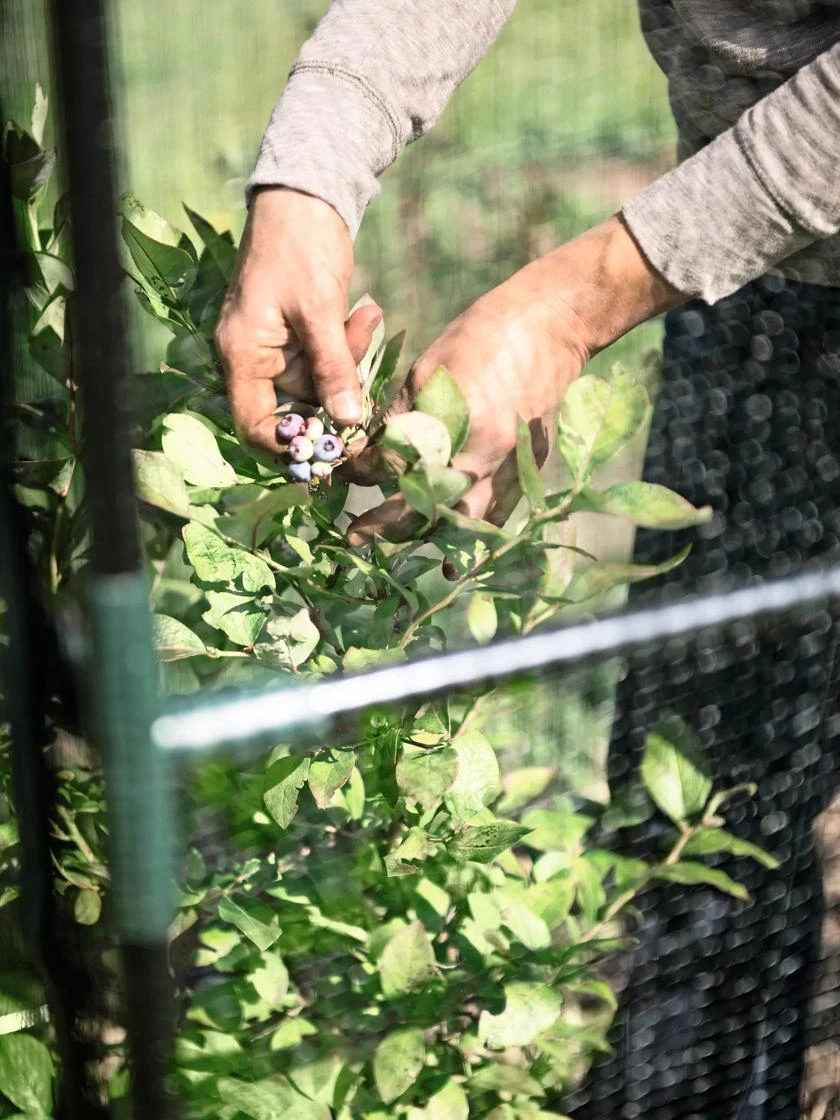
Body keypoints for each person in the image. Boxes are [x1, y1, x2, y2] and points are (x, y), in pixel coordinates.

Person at [216, 3, 840, 1116]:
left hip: (749, 249)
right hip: (766, 283)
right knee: (706, 833)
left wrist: (568, 307)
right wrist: (307, 181)